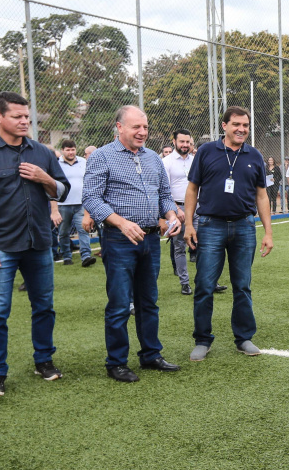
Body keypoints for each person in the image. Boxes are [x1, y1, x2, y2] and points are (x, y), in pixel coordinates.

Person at [0, 92, 71, 397]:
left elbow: (61, 191)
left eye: (27, 117)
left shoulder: (43, 153)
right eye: (17, 117)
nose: (24, 122)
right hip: (0, 246)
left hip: (39, 243)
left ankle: (44, 360)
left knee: (44, 306)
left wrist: (44, 177)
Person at [83, 105, 182, 383]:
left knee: (148, 301)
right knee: (118, 303)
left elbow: (164, 195)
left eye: (145, 127)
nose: (142, 132)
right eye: (136, 127)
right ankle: (116, 362)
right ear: (119, 127)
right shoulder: (102, 157)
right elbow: (91, 198)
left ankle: (151, 354)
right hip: (119, 239)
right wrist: (121, 222)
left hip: (150, 239)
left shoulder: (153, 158)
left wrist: (171, 214)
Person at [183, 106, 273, 362]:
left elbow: (262, 196)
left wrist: (268, 232)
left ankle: (243, 338)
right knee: (204, 285)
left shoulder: (254, 155)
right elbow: (192, 190)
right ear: (224, 126)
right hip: (210, 226)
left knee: (242, 286)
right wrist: (189, 224)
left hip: (244, 227)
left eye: (245, 125)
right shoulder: (206, 152)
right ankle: (202, 340)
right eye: (236, 124)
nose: (241, 129)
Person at [162, 129, 196, 295]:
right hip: (177, 210)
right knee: (179, 247)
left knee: (205, 245)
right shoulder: (166, 162)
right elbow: (164, 190)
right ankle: (185, 283)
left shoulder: (196, 160)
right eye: (182, 142)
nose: (185, 145)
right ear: (174, 142)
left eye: (188, 142)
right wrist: (176, 210)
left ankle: (209, 281)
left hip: (197, 208)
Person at [56, 140, 95, 267]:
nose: (71, 152)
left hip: (81, 203)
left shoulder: (83, 162)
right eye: (67, 150)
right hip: (63, 204)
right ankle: (67, 256)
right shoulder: (57, 164)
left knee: (83, 229)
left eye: (72, 149)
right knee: (63, 232)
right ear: (62, 150)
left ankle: (86, 256)